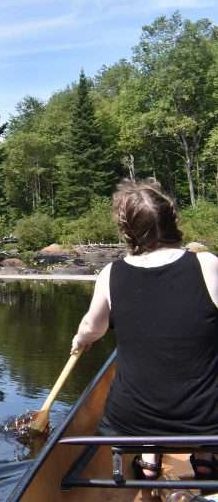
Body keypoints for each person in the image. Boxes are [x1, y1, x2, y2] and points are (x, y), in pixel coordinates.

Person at [71, 178, 218, 481]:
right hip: (208, 418)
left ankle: (149, 458)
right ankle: (205, 457)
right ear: (171, 220)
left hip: (130, 421)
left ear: (128, 230)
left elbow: (91, 329)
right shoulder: (207, 264)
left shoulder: (111, 273)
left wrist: (81, 339)